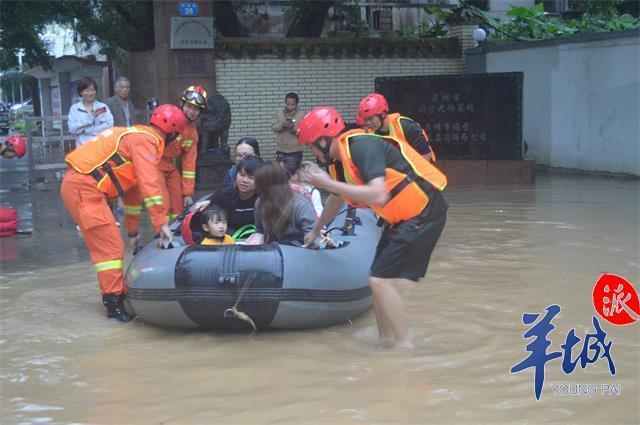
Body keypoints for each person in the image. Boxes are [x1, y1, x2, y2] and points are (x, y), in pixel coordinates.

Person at [297, 107, 448, 349]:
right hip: (400, 218)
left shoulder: (362, 147)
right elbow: (336, 199)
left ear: (324, 139)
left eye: (311, 145)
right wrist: (316, 231)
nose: (311, 151)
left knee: (380, 280)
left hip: (424, 211)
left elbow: (377, 194)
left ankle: (403, 346)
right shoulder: (339, 162)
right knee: (376, 279)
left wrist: (323, 182)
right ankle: (385, 341)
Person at [60, 104, 186, 322]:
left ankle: (116, 294)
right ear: (173, 134)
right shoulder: (147, 142)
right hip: (85, 189)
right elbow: (150, 185)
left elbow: (132, 194)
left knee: (113, 245)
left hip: (83, 187)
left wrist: (133, 232)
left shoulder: (136, 136)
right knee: (110, 248)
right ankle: (113, 302)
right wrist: (160, 222)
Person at [154, 85, 206, 221]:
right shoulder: (168, 116)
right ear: (182, 104)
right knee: (163, 202)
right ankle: (160, 235)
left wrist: (188, 194)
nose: (192, 111)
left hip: (169, 165)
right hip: (154, 162)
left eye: (196, 109)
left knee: (178, 202)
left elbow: (189, 166)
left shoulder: (192, 134)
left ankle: (173, 232)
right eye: (189, 106)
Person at [247, 161, 316, 246]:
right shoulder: (260, 202)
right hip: (271, 252)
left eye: (260, 184)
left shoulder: (301, 206)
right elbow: (260, 229)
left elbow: (313, 237)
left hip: (298, 252)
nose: (256, 187)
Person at [193, 156, 264, 237]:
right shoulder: (224, 193)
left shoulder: (264, 197)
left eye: (251, 178)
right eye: (242, 175)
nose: (244, 181)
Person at [358, 93, 436, 161]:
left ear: (382, 114)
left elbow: (426, 155)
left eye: (371, 118)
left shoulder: (407, 127)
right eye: (365, 119)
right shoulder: (371, 134)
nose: (367, 123)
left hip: (418, 173)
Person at [68, 76, 114, 148]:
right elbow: (72, 129)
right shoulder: (75, 109)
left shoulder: (102, 107)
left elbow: (109, 125)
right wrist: (89, 118)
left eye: (92, 90)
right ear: (81, 92)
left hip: (101, 147)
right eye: (87, 91)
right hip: (82, 148)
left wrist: (86, 130)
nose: (90, 93)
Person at [271, 92, 305, 175]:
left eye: (292, 105)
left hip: (295, 151)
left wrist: (292, 127)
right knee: (279, 174)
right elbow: (273, 128)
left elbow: (303, 133)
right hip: (281, 150)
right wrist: (282, 125)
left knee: (293, 175)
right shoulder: (279, 113)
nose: (290, 107)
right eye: (288, 104)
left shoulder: (302, 115)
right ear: (285, 103)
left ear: (297, 104)